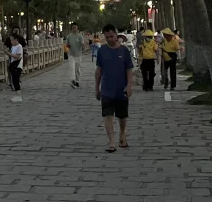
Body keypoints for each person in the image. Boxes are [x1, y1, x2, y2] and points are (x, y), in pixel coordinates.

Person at [95, 25, 135, 153]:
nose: (110, 39)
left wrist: (129, 86)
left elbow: (129, 70)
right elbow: (99, 70)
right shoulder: (102, 51)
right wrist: (97, 87)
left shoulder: (124, 51)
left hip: (121, 88)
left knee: (122, 116)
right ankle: (111, 141)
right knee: (107, 115)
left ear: (116, 34)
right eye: (107, 37)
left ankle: (122, 134)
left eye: (111, 36)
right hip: (107, 89)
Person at [136, 27, 157, 91]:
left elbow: (156, 50)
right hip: (144, 60)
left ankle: (150, 86)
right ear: (145, 37)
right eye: (147, 36)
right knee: (144, 74)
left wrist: (158, 58)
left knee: (151, 74)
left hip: (151, 59)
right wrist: (139, 58)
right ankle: (145, 86)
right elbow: (140, 51)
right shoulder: (142, 42)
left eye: (150, 36)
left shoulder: (153, 42)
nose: (148, 38)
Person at [67, 25, 86, 89]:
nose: (74, 29)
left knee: (77, 69)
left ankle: (77, 81)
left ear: (77, 28)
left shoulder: (80, 36)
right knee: (72, 68)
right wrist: (68, 46)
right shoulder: (69, 36)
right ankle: (73, 80)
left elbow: (82, 44)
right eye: (73, 28)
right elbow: (67, 44)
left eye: (75, 28)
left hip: (78, 55)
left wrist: (83, 47)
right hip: (71, 54)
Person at [8, 31, 24, 103]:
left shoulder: (19, 46)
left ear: (15, 39)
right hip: (13, 64)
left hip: (17, 65)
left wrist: (9, 54)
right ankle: (17, 95)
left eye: (12, 40)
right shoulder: (13, 47)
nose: (11, 41)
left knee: (16, 80)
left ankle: (19, 96)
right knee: (14, 80)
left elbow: (18, 56)